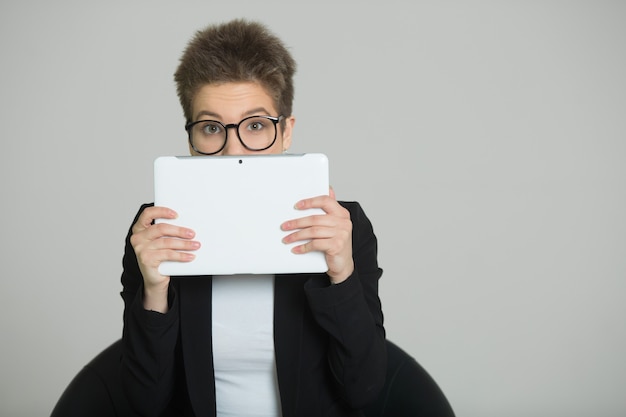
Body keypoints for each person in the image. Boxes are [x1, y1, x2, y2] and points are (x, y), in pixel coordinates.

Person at [120, 19, 386, 417]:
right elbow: (143, 405)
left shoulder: (344, 227)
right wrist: (154, 292)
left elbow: (365, 393)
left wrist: (341, 275)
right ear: (191, 139)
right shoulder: (156, 232)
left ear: (286, 132)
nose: (232, 150)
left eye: (256, 125)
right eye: (211, 128)